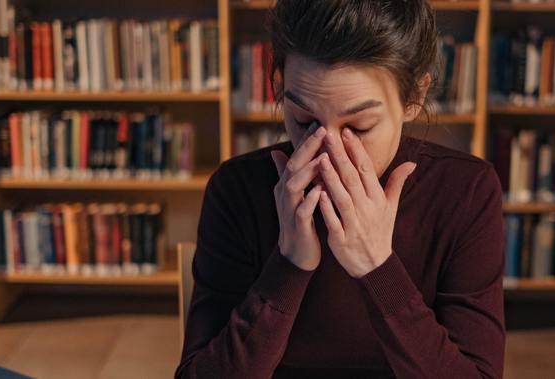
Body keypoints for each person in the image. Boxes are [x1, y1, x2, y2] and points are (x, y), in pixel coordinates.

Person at [176, 0, 505, 377]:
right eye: (303, 120)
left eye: (359, 127)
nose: (327, 152)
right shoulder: (237, 189)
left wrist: (378, 268)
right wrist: (288, 266)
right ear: (280, 87)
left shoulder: (466, 192)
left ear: (414, 97)